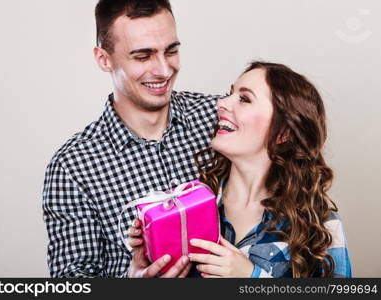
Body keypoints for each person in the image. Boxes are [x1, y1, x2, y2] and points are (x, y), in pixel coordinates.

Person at [42, 0, 220, 278]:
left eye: (171, 51)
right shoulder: (72, 167)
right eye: (142, 56)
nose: (163, 70)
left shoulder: (219, 118)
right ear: (104, 59)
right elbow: (71, 278)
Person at [128, 61, 352, 277]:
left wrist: (250, 277)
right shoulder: (186, 208)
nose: (221, 103)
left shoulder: (321, 224)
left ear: (283, 133)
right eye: (230, 93)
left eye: (244, 99)